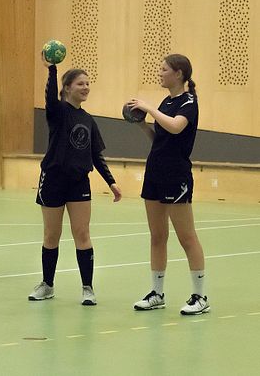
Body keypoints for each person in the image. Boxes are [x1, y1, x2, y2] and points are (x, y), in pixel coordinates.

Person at [28, 54, 122, 306]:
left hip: (79, 181)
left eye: (88, 83)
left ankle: (87, 288)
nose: (86, 87)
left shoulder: (88, 120)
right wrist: (51, 70)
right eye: (81, 83)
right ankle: (47, 284)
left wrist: (111, 182)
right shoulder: (58, 112)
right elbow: (49, 97)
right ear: (67, 87)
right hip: (53, 179)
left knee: (82, 233)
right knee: (51, 234)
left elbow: (95, 154)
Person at [126, 54, 210, 315]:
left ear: (179, 74)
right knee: (157, 236)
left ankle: (200, 296)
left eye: (164, 69)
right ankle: (157, 293)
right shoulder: (166, 101)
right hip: (155, 172)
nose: (159, 73)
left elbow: (175, 127)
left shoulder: (188, 102)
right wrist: (141, 124)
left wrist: (149, 109)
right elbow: (159, 137)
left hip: (176, 175)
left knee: (186, 236)